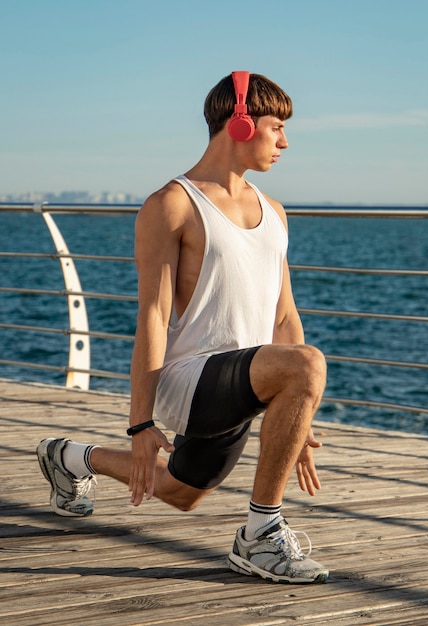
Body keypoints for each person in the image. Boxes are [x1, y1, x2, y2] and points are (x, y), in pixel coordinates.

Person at [37, 71, 329, 584]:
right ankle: (260, 538)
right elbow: (151, 315)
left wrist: (299, 414)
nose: (285, 141)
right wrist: (142, 424)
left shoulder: (275, 212)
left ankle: (68, 457)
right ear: (239, 123)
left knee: (180, 492)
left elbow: (284, 316)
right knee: (307, 363)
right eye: (275, 126)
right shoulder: (172, 205)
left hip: (245, 379)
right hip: (189, 381)